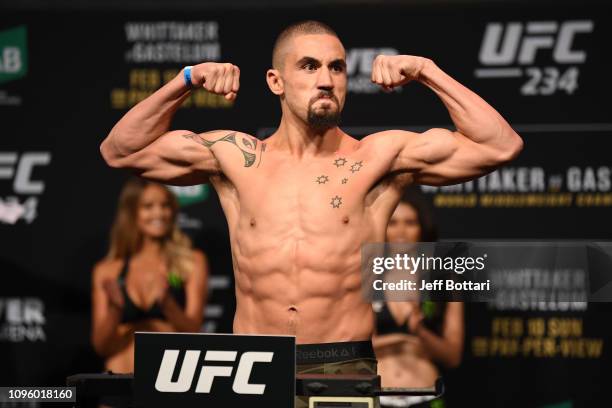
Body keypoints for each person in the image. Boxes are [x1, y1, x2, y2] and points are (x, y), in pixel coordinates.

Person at [100, 19, 521, 403]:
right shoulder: (237, 157)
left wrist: (428, 71)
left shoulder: (377, 158)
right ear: (276, 81)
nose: (326, 80)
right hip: (252, 362)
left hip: (341, 363)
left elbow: (499, 145)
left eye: (336, 68)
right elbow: (120, 151)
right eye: (309, 66)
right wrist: (185, 81)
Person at [91, 178, 208, 373]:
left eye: (165, 205)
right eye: (148, 206)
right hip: (118, 387)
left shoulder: (192, 262)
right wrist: (115, 310)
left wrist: (168, 304)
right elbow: (101, 347)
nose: (159, 213)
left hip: (169, 384)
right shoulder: (107, 270)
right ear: (131, 212)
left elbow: (194, 331)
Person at [373, 188, 464, 407]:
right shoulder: (366, 277)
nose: (401, 231)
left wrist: (419, 331)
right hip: (377, 395)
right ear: (382, 227)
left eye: (410, 222)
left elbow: (453, 356)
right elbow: (356, 348)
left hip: (426, 395)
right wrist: (402, 339)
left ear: (423, 228)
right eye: (393, 223)